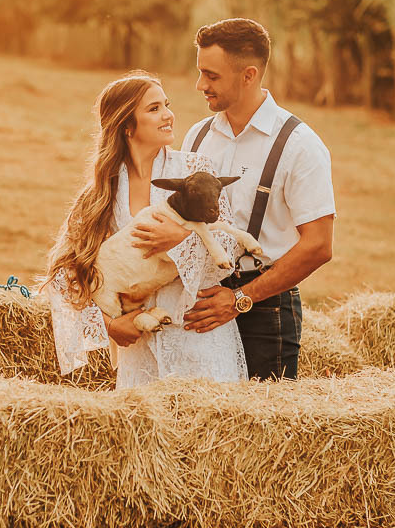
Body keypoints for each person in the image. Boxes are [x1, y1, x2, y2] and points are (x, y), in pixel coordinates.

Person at [133, 18, 335, 381]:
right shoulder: (197, 137)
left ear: (248, 75)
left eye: (211, 76)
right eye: (200, 73)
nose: (200, 85)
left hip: (265, 312)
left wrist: (241, 299)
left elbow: (318, 246)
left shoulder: (300, 145)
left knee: (261, 416)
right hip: (198, 301)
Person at [41, 71, 247, 389]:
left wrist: (180, 240)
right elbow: (62, 276)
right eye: (154, 109)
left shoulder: (195, 169)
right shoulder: (101, 193)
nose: (168, 115)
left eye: (166, 105)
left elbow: (229, 248)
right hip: (140, 356)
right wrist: (109, 325)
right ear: (127, 125)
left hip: (200, 341)